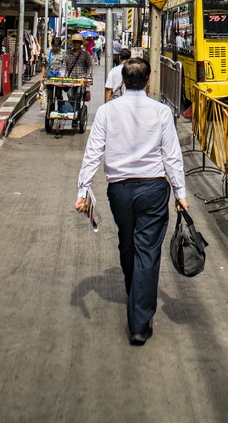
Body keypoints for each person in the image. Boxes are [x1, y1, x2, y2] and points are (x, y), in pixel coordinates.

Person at [75, 56, 189, 345]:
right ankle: (139, 322)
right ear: (148, 81)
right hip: (153, 189)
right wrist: (180, 193)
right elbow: (171, 156)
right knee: (146, 250)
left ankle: (136, 301)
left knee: (128, 243)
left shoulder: (107, 111)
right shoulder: (161, 112)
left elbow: (93, 152)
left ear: (122, 81)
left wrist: (82, 190)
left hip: (120, 192)